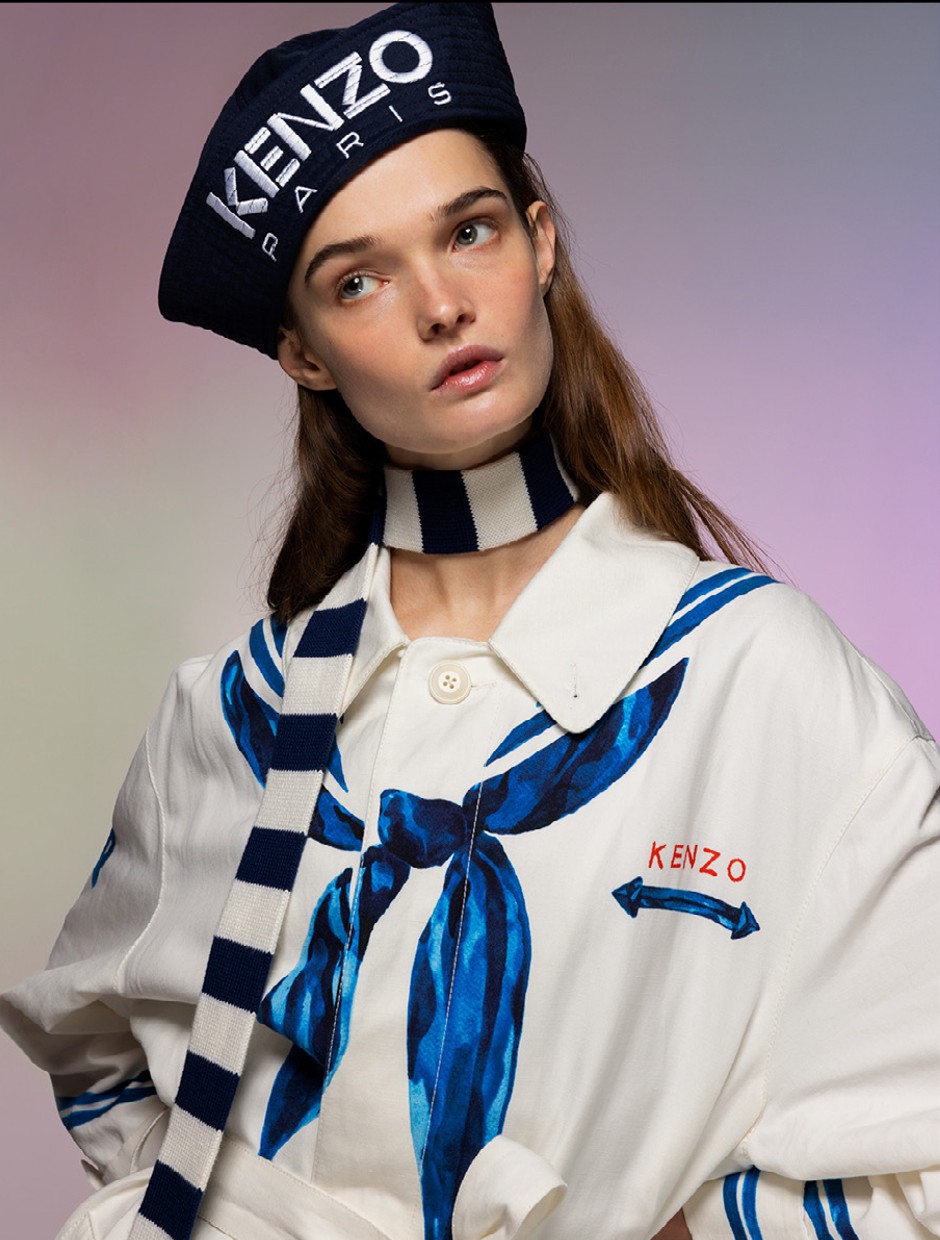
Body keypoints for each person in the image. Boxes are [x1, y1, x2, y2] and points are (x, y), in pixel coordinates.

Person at [1, 3, 937, 1238]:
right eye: (359, 279)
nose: (441, 304)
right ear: (303, 353)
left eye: (470, 230)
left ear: (538, 242)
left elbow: (915, 1141)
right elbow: (93, 1043)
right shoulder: (225, 716)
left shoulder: (757, 674)